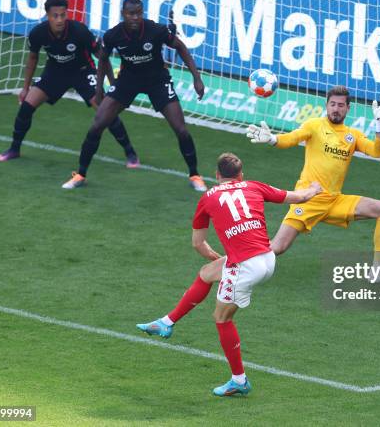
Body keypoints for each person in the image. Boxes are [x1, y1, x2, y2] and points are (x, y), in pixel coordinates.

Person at [136, 152, 322, 396]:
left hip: (245, 266)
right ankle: (166, 323)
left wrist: (215, 255)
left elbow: (198, 244)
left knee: (222, 318)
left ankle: (239, 380)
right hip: (267, 258)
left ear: (216, 176)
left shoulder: (207, 198)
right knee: (206, 274)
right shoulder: (254, 186)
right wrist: (314, 188)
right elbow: (299, 197)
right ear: (240, 175)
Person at [245, 86, 380, 281]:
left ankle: (378, 272)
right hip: (309, 199)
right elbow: (291, 138)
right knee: (278, 247)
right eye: (332, 104)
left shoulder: (353, 135)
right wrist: (273, 139)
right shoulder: (314, 125)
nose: (336, 108)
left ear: (348, 108)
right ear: (326, 105)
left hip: (334, 200)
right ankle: (234, 262)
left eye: (340, 105)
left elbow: (377, 151)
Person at [62, 0, 207, 191]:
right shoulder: (113, 35)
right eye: (131, 13)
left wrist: (196, 78)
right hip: (128, 80)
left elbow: (180, 46)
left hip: (157, 80)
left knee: (181, 129)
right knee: (98, 124)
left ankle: (195, 175)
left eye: (139, 13)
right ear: (124, 14)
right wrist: (100, 90)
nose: (135, 17)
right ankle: (80, 174)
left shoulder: (155, 30)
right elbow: (103, 60)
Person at [0, 0, 139, 169]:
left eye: (63, 15)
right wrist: (25, 88)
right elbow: (32, 58)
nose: (60, 20)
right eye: (55, 16)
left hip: (82, 71)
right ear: (47, 16)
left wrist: (113, 83)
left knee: (104, 111)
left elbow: (102, 57)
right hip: (55, 72)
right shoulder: (38, 33)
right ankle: (14, 149)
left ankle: (130, 153)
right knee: (26, 106)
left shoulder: (79, 31)